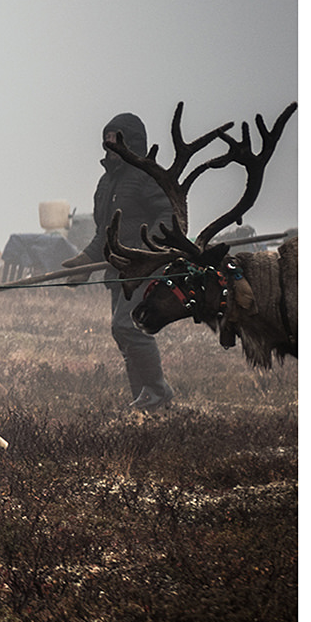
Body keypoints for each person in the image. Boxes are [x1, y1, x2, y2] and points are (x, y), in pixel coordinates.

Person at [70, 110, 176, 410]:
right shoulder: (106, 184)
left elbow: (168, 216)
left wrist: (145, 251)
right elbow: (104, 235)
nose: (109, 145)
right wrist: (83, 263)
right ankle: (144, 400)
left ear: (131, 142)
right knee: (122, 332)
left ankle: (158, 391)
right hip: (118, 273)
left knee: (130, 327)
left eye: (115, 139)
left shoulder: (148, 177)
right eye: (106, 140)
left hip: (144, 269)